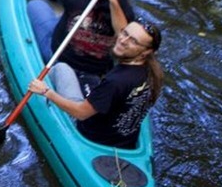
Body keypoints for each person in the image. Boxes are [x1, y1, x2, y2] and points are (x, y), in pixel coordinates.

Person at [28, 19, 163, 149]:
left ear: (146, 51)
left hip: (90, 135)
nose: (123, 40)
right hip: (123, 141)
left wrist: (47, 92)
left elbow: (80, 114)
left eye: (133, 41)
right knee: (90, 82)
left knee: (61, 68)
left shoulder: (116, 81)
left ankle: (35, 91)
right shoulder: (151, 73)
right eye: (125, 33)